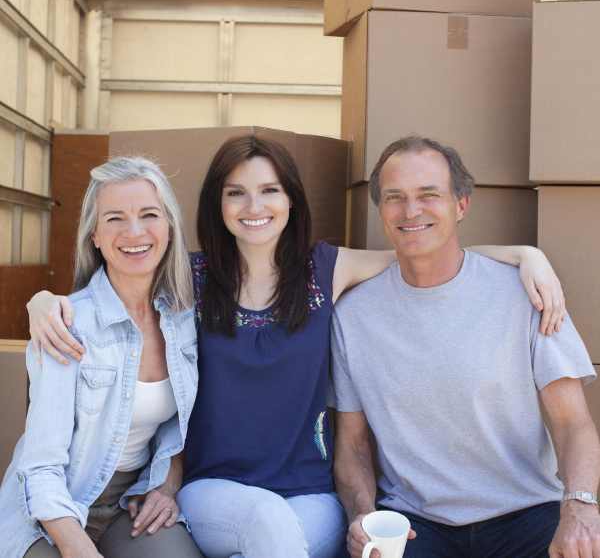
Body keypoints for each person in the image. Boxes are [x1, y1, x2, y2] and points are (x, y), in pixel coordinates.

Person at [26, 136, 566, 558]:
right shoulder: (190, 279)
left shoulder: (325, 270)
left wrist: (522, 253)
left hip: (312, 495)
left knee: (277, 535)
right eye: (235, 192)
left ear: (290, 200)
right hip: (214, 491)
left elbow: (423, 249)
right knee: (266, 524)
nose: (253, 205)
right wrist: (45, 301)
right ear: (217, 204)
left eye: (269, 190)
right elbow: (117, 285)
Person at [331, 135, 600, 558]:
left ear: (461, 205)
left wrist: (581, 507)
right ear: (380, 209)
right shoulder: (352, 315)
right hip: (415, 524)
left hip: (527, 513)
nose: (411, 210)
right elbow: (352, 444)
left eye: (428, 195)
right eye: (395, 197)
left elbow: (573, 424)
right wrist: (361, 516)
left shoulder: (528, 293)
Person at [0, 158, 203, 558]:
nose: (134, 232)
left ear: (169, 227)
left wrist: (167, 484)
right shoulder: (67, 324)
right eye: (115, 218)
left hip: (131, 499)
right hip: (50, 505)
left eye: (149, 214)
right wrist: (78, 548)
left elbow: (178, 426)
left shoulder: (183, 317)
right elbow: (41, 468)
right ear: (94, 234)